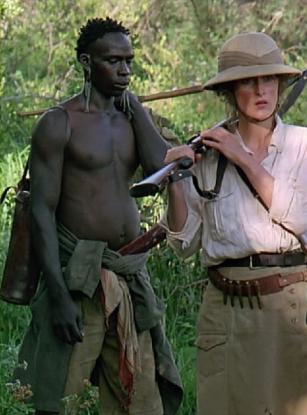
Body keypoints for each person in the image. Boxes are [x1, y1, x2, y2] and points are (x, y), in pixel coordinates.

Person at [14, 17, 183, 414]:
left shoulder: (130, 118)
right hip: (79, 279)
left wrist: (136, 107)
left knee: (139, 401)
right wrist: (58, 296)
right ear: (87, 63)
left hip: (127, 274)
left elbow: (159, 168)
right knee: (61, 398)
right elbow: (42, 211)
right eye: (113, 61)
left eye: (129, 61)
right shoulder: (60, 122)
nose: (125, 71)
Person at [161, 32, 307, 415]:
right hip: (227, 308)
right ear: (230, 91)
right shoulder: (206, 155)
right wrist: (176, 180)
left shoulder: (306, 144)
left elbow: (298, 216)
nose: (260, 90)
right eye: (247, 82)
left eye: (269, 79)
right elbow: (184, 243)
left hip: (291, 306)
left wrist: (244, 158)